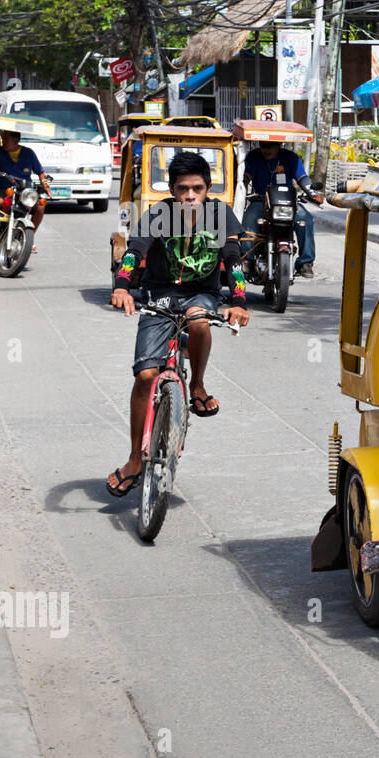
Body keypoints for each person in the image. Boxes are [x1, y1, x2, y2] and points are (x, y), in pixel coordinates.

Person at [105, 151, 250, 498]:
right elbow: (135, 251)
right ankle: (133, 460)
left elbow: (232, 258)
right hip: (159, 294)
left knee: (199, 322)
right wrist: (123, 287)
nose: (189, 196)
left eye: (197, 189)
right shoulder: (158, 214)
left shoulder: (220, 215)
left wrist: (239, 302)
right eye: (182, 189)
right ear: (171, 189)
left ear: (207, 188)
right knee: (145, 376)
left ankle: (197, 387)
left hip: (202, 293)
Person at [241, 140, 321, 278]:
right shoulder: (253, 157)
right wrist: (240, 189)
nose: (265, 149)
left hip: (287, 203)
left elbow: (302, 178)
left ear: (279, 145)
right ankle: (247, 259)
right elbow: (245, 178)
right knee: (248, 220)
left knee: (306, 219)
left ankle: (305, 262)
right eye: (262, 145)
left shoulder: (291, 157)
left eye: (270, 146)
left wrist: (312, 193)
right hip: (260, 201)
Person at [0, 128, 51, 252]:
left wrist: (45, 185)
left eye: (6, 139)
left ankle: (29, 239)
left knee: (40, 206)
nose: (3, 141)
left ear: (16, 140)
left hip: (25, 190)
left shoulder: (28, 153)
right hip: (5, 189)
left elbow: (40, 172)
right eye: (3, 138)